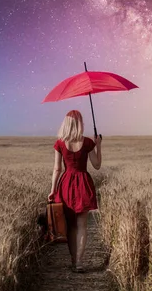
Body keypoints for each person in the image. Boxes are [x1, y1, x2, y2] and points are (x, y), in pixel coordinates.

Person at [48, 110, 102, 273]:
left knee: (71, 226)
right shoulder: (86, 143)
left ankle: (73, 260)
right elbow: (97, 165)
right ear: (79, 123)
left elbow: (57, 169)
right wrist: (98, 145)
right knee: (82, 226)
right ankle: (79, 262)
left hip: (66, 185)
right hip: (83, 183)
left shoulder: (60, 143)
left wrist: (52, 190)